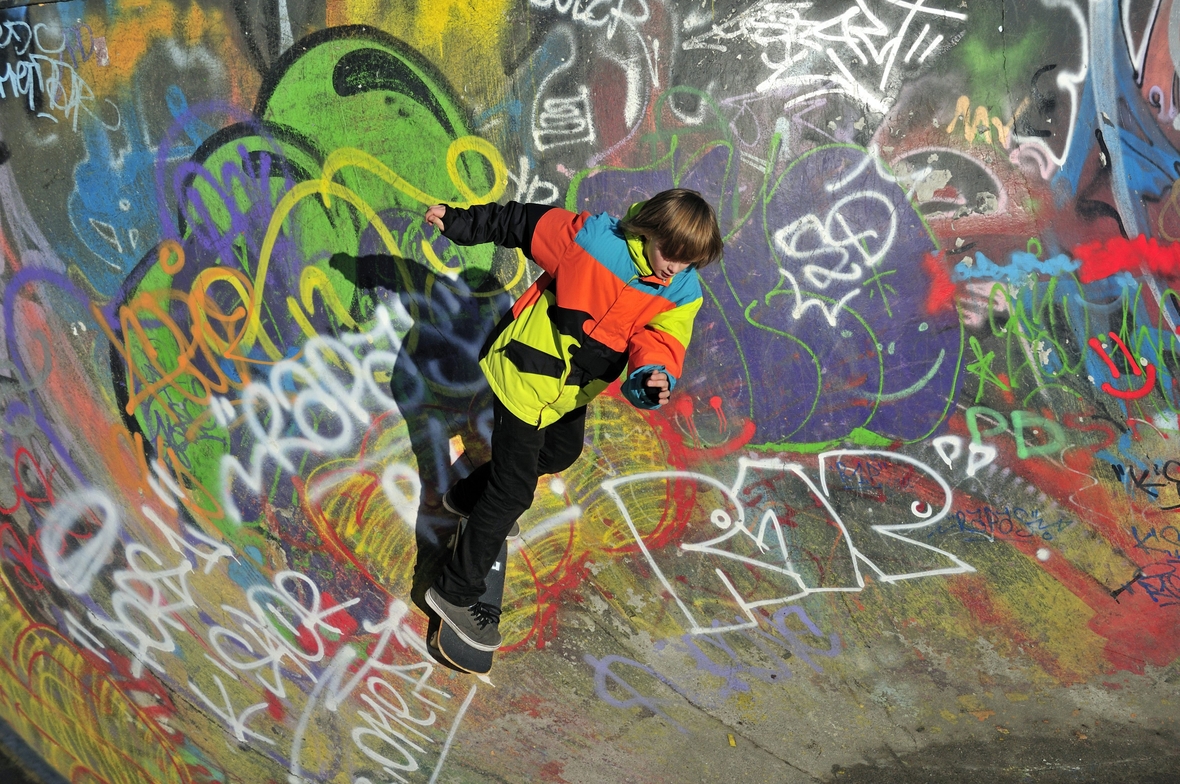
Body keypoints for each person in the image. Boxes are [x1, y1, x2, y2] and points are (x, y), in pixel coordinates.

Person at [422, 188, 723, 652]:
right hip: (525, 370)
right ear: (651, 230)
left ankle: (466, 497)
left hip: (569, 390)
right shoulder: (593, 240)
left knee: (561, 451)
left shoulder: (681, 291)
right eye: (671, 254)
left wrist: (650, 377)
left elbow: (661, 341)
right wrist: (462, 223)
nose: (674, 268)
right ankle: (454, 592)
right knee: (514, 490)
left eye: (689, 262)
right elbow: (519, 223)